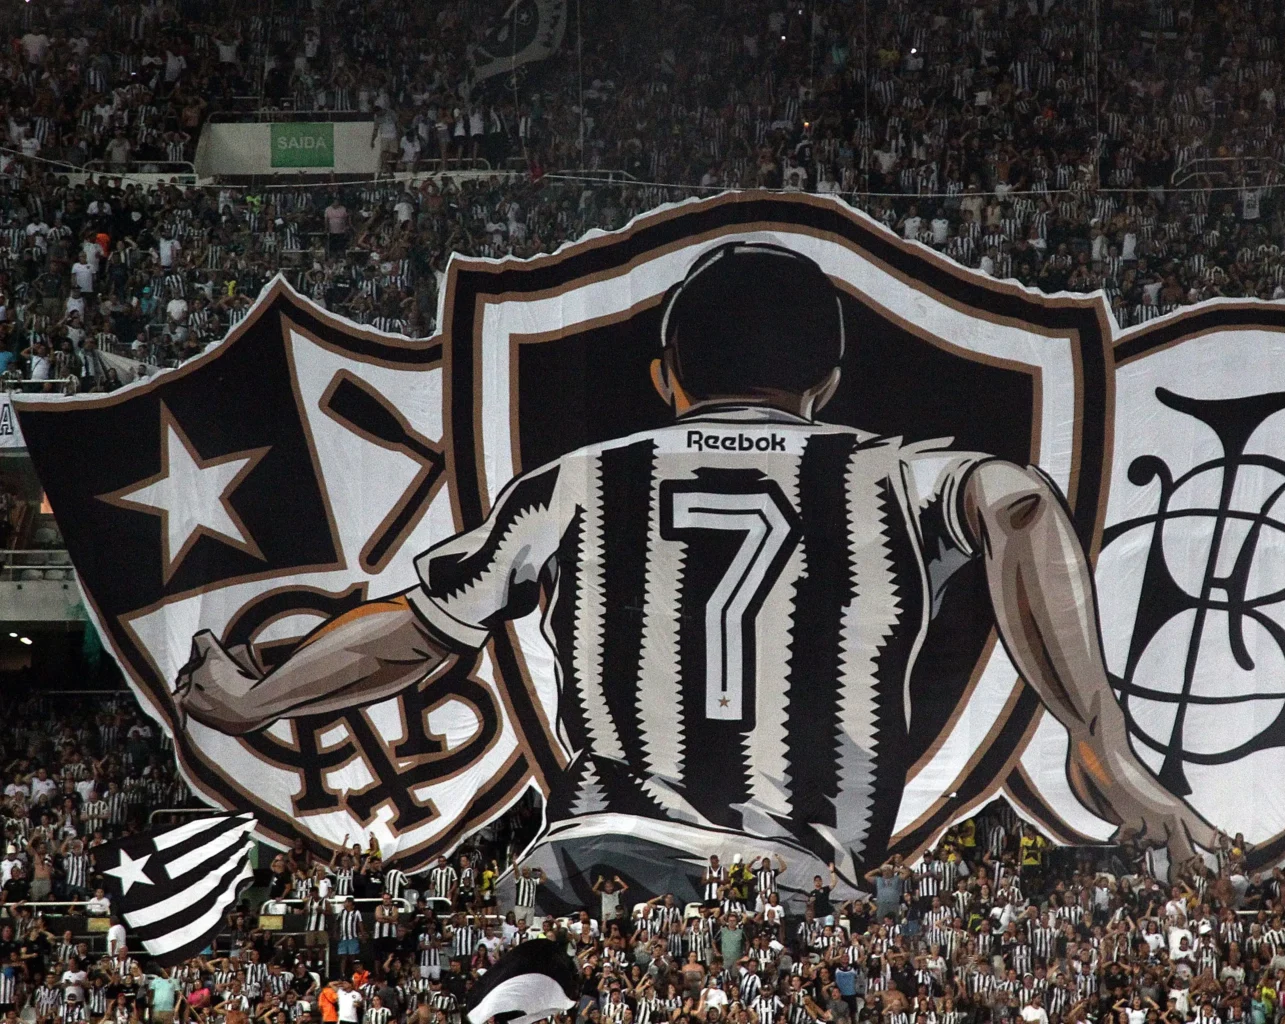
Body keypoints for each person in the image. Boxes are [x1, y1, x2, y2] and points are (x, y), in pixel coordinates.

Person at [175, 242, 1219, 908]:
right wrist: (1102, 740)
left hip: (585, 867)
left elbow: (416, 628)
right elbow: (1022, 506)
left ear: (668, 375)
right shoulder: (896, 475)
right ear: (828, 382)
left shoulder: (572, 485)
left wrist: (259, 696)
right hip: (788, 885)